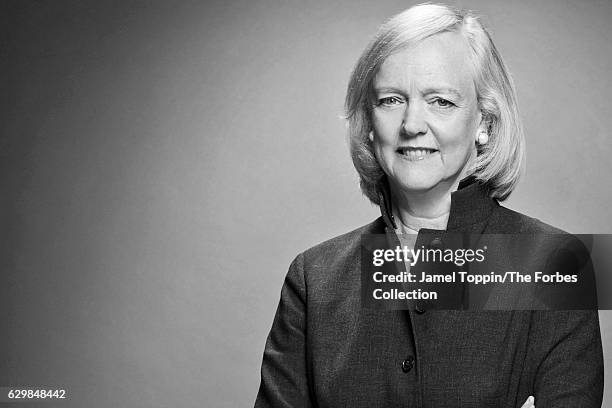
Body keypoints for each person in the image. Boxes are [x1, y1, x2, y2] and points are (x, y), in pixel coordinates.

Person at [254, 3, 603, 407]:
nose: (412, 124)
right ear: (368, 124)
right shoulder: (313, 279)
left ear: (485, 123)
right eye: (390, 100)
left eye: (441, 101)